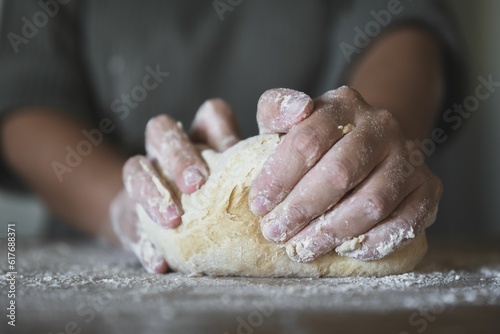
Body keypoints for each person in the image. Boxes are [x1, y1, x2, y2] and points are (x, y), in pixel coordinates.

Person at [0, 0, 462, 273]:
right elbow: (23, 92)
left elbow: (402, 22)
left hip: (360, 228)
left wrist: (365, 146)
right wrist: (125, 206)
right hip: (93, 258)